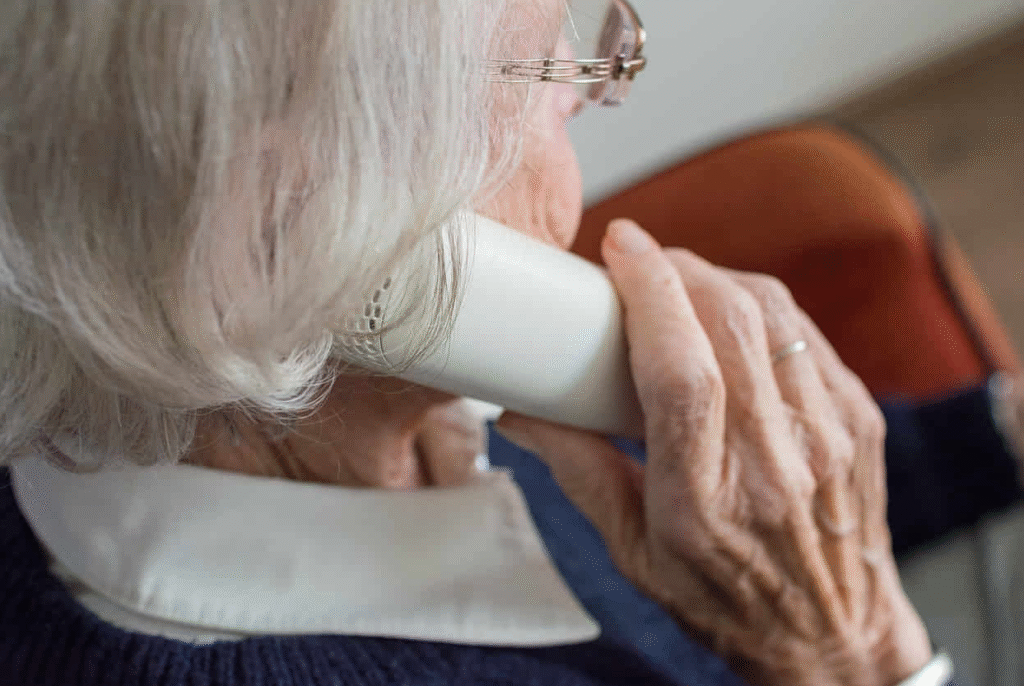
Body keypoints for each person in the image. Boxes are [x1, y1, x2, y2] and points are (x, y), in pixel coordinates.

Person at [0, 0, 961, 684]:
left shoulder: (397, 394)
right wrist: (852, 652)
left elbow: (727, 495)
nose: (595, 92)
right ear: (286, 235)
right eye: (556, 68)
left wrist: (992, 433)